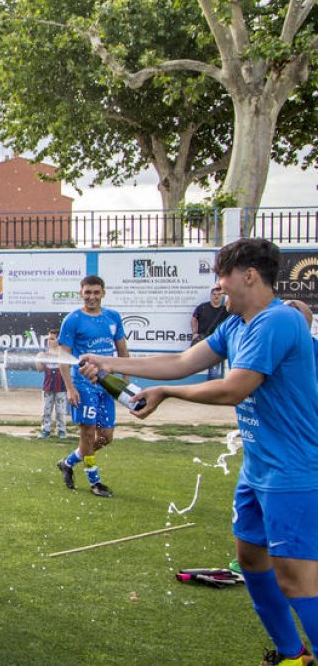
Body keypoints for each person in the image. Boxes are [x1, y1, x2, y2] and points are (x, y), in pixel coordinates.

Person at [80, 239, 318, 666]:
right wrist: (112, 364)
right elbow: (184, 360)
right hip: (258, 469)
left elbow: (234, 388)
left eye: (222, 275)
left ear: (248, 275)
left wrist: (167, 393)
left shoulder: (277, 321)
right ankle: (290, 654)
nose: (218, 285)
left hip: (295, 471)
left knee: (297, 580)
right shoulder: (235, 324)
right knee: (250, 558)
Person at [54, 275, 129, 498]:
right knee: (87, 434)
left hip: (106, 384)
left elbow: (123, 352)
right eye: (87, 292)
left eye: (96, 292)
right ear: (81, 293)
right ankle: (95, 481)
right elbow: (63, 357)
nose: (92, 297)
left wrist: (125, 381)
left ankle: (68, 462)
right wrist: (70, 388)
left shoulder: (113, 317)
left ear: (103, 293)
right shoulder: (73, 320)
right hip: (83, 385)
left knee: (106, 436)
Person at [192, 286, 230, 379]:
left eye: (219, 294)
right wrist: (195, 332)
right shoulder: (203, 307)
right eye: (214, 294)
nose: (216, 296)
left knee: (214, 368)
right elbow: (194, 319)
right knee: (194, 362)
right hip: (203, 340)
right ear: (210, 295)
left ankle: (212, 386)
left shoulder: (226, 310)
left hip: (217, 341)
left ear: (222, 297)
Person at [37, 331, 68, 439]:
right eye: (48, 338)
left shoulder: (64, 354)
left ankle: (62, 430)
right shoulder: (44, 354)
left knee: (61, 411)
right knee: (46, 410)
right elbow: (40, 369)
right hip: (48, 387)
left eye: (52, 339)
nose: (49, 341)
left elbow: (67, 369)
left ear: (58, 340)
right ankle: (46, 429)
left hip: (61, 388)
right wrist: (38, 360)